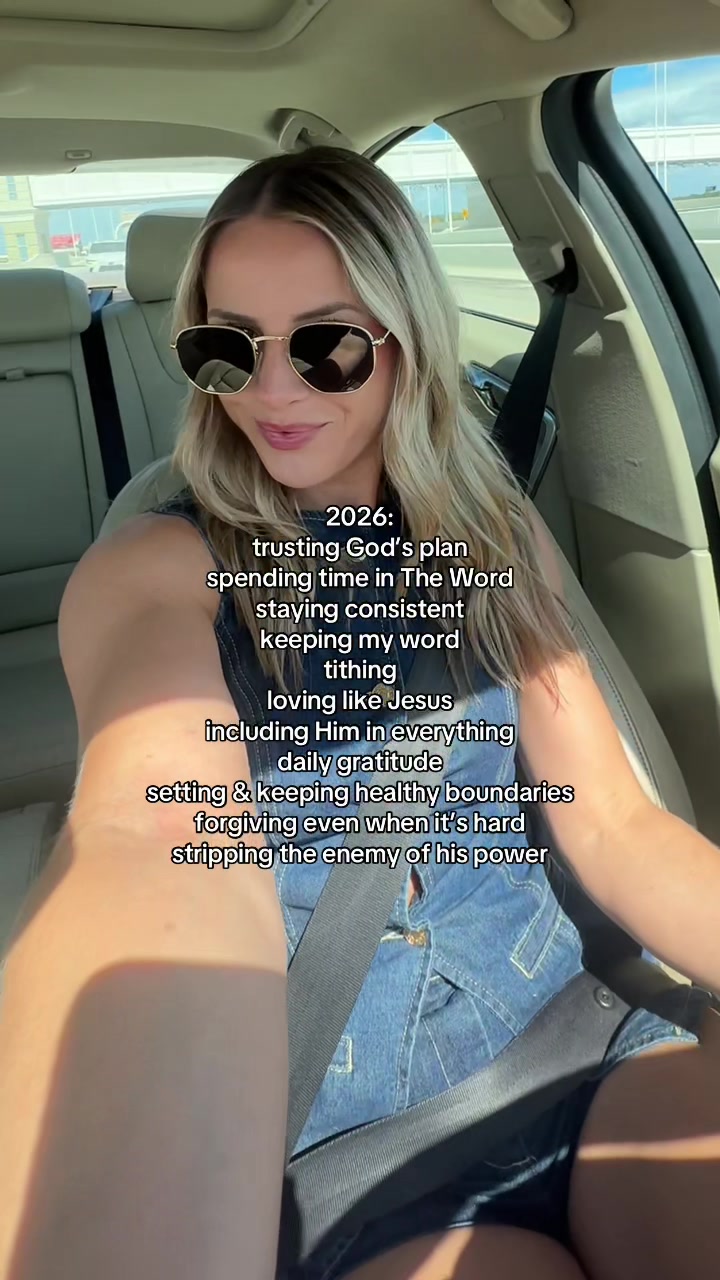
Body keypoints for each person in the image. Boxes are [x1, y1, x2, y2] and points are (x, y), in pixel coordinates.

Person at [0, 145, 719, 1280]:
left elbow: (616, 826)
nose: (271, 391)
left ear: (406, 340)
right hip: (347, 1131)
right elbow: (153, 833)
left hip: (571, 1023)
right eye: (228, 346)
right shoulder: (156, 566)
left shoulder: (496, 535)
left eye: (324, 344)